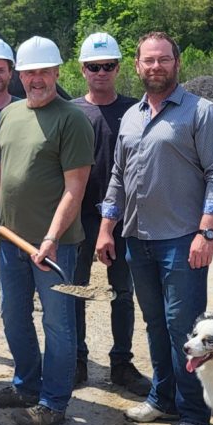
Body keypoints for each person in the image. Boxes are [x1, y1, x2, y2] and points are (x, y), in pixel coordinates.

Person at [97, 31, 213, 425]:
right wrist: (107, 225)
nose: (155, 67)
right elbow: (118, 176)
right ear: (136, 66)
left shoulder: (201, 112)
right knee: (155, 324)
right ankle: (163, 398)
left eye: (163, 60)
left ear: (177, 63)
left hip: (181, 240)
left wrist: (206, 230)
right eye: (148, 61)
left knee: (184, 330)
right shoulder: (132, 116)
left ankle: (195, 417)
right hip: (138, 239)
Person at [0, 36, 93, 425]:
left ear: (57, 72)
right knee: (13, 314)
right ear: (19, 75)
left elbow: (76, 187)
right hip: (10, 240)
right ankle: (26, 384)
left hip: (54, 247)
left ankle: (54, 401)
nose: (36, 79)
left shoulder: (72, 119)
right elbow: (2, 170)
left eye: (43, 71)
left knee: (58, 323)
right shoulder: (10, 115)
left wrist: (52, 239)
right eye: (30, 72)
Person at [71, 32, 150, 397]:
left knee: (122, 290)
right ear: (82, 69)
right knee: (75, 291)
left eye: (107, 66)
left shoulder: (137, 111)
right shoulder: (71, 113)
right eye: (93, 66)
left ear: (119, 68)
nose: (100, 72)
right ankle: (76, 360)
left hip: (124, 218)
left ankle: (121, 363)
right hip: (79, 216)